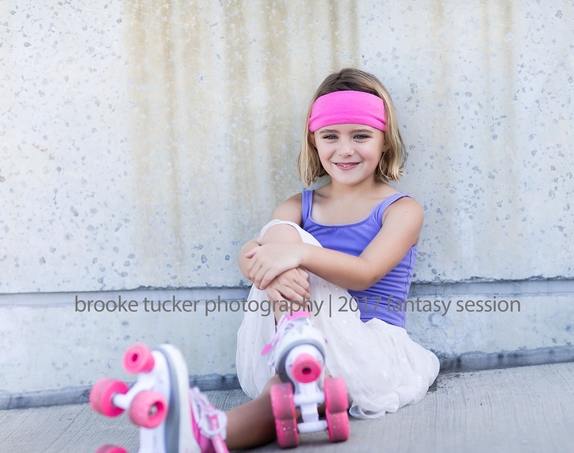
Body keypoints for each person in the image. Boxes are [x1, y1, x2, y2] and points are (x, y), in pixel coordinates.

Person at [91, 68, 439, 453]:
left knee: (285, 242)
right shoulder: (299, 206)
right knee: (277, 236)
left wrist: (299, 252)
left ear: (384, 140)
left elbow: (365, 274)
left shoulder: (402, 210)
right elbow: (254, 253)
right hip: (303, 357)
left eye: (360, 136)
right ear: (314, 141)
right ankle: (203, 435)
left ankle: (295, 350)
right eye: (330, 136)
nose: (345, 149)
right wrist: (274, 263)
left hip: (372, 357)